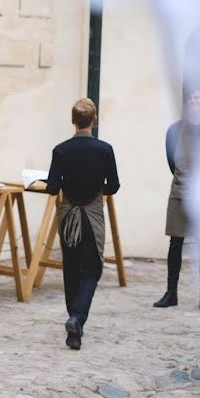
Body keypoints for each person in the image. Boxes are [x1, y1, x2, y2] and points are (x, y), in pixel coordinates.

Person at [46, 98, 120, 350]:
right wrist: (97, 187)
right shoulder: (104, 150)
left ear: (73, 121)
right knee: (92, 270)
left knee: (71, 268)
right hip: (92, 215)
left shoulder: (61, 150)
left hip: (68, 215)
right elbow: (115, 186)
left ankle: (74, 329)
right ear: (94, 120)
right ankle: (77, 319)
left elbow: (52, 187)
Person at [153, 86, 200, 311]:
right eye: (191, 98)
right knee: (175, 243)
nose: (194, 101)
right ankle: (171, 293)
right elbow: (171, 161)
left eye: (198, 97)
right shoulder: (174, 131)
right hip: (179, 193)